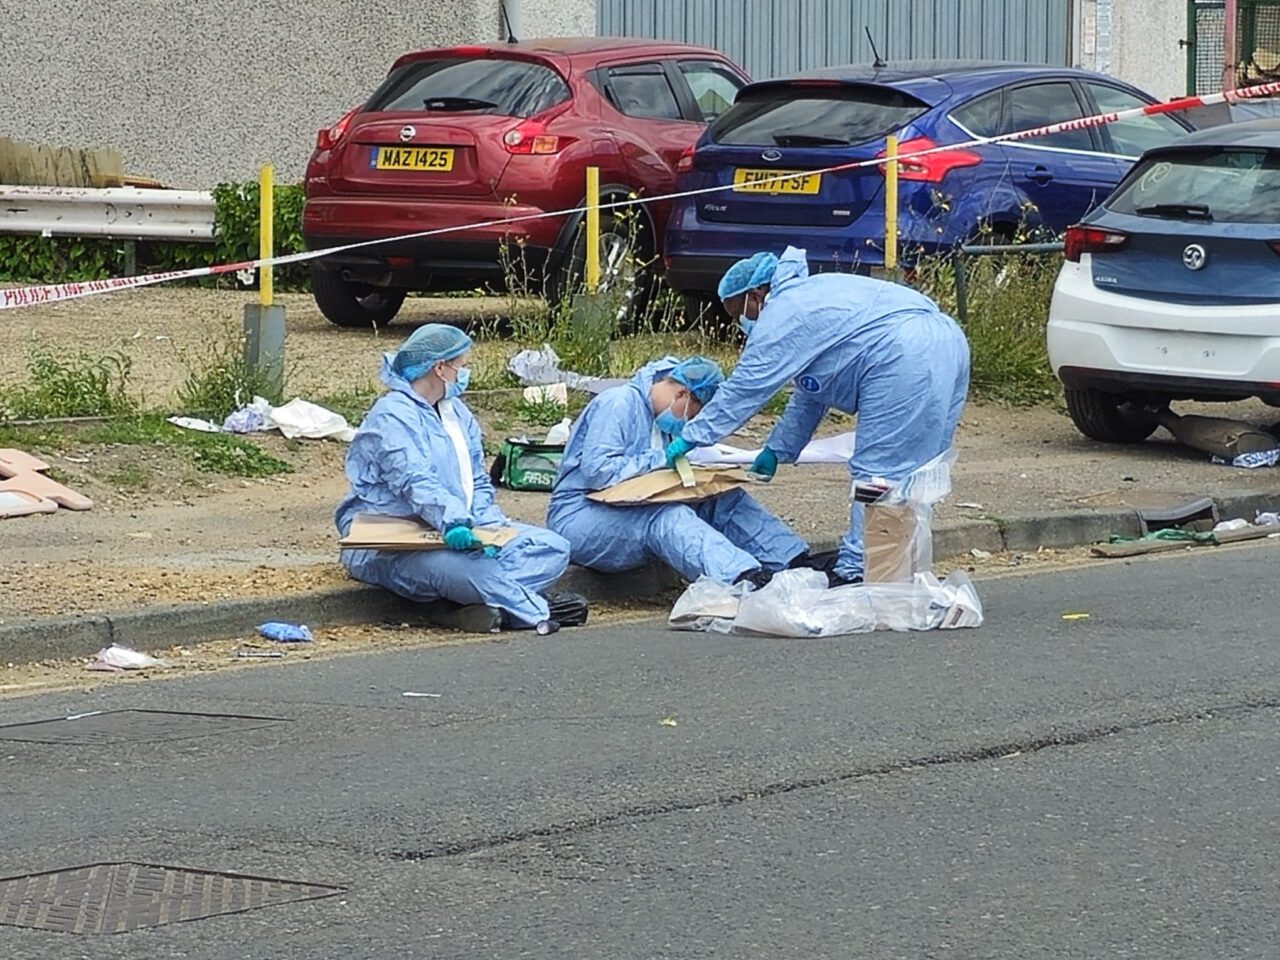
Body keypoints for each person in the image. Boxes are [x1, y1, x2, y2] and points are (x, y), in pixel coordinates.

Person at [664, 246, 970, 586]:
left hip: (901, 354)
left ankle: (860, 570)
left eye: (738, 311)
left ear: (756, 294)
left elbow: (744, 389)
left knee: (878, 475)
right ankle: (904, 567)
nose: (740, 323)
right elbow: (811, 393)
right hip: (947, 342)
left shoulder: (783, 312)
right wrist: (778, 449)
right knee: (920, 471)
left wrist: (691, 437)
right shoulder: (809, 297)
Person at [336, 323, 586, 633]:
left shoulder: (455, 413)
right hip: (392, 544)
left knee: (552, 547)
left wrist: (489, 528)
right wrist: (453, 521)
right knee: (473, 572)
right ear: (440, 368)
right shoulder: (392, 416)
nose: (464, 374)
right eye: (460, 365)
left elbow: (477, 480)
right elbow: (414, 479)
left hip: (454, 531)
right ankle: (536, 612)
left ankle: (470, 607)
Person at [548, 354, 823, 587]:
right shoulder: (619, 402)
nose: (688, 423)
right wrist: (660, 458)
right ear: (682, 394)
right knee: (667, 517)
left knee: (722, 499)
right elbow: (599, 472)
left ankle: (792, 559)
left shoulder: (658, 420)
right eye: (692, 414)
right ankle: (740, 578)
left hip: (629, 506)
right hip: (580, 515)